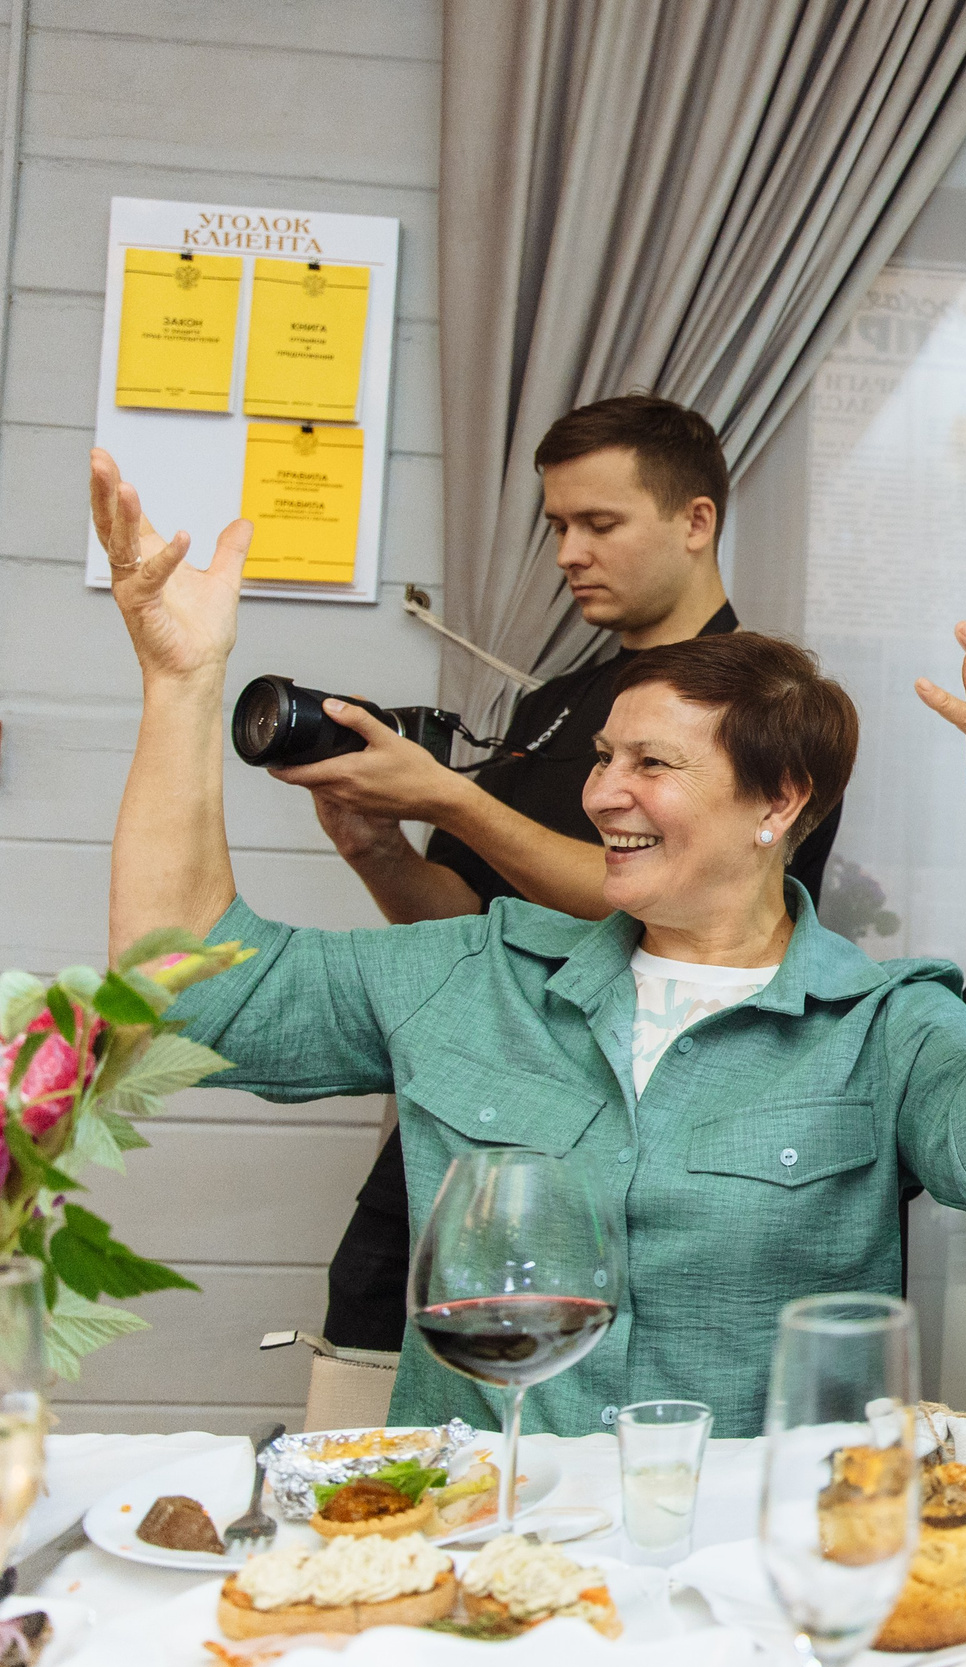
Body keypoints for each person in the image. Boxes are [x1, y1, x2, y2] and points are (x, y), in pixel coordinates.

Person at [90, 448, 966, 1435]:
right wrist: (180, 682)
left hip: (752, 1573)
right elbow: (180, 986)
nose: (601, 791)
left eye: (651, 762)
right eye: (602, 755)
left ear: (778, 800)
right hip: (493, 1550)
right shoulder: (473, 969)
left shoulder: (885, 1025)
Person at [239, 396, 842, 1351]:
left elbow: (667, 904)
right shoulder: (554, 708)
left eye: (599, 523)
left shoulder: (769, 713)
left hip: (630, 1132)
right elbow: (460, 921)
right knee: (372, 1336)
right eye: (558, 525)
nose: (567, 552)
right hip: (464, 1104)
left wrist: (451, 799)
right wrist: (378, 843)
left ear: (696, 522)